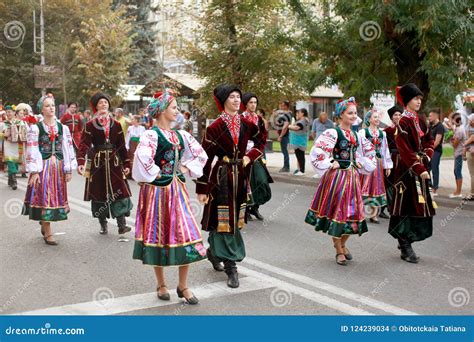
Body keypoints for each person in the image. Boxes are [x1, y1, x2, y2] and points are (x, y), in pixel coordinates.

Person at [132, 90, 208, 304]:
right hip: (157, 192)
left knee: (188, 233)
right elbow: (142, 157)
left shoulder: (181, 135)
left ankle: (183, 285)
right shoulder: (151, 135)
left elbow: (201, 154)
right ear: (163, 110)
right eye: (174, 107)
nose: (177, 111)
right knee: (159, 234)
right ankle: (161, 283)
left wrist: (183, 167)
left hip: (178, 191)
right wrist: (158, 173)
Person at [196, 84, 265, 288]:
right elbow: (205, 159)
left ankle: (213, 252)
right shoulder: (214, 127)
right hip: (222, 177)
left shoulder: (247, 124)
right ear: (224, 100)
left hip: (241, 177)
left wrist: (249, 157)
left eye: (238, 97)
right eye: (232, 97)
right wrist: (202, 188)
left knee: (234, 220)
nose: (237, 100)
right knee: (222, 219)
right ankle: (231, 267)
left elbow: (261, 141)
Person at [305, 97, 376, 266]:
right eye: (349, 113)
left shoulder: (356, 135)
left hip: (353, 178)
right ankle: (338, 250)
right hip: (337, 179)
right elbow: (318, 150)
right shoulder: (333, 133)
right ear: (340, 115)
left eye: (355, 113)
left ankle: (342, 244)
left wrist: (359, 161)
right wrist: (330, 162)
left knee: (354, 214)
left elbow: (368, 151)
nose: (353, 116)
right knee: (339, 214)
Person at [389, 83, 436, 263]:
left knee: (420, 205)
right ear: (408, 100)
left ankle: (406, 240)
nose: (419, 102)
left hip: (421, 167)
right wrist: (419, 168)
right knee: (405, 205)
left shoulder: (420, 119)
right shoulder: (403, 122)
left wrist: (427, 156)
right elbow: (405, 150)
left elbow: (429, 140)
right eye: (416, 98)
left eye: (420, 99)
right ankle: (404, 243)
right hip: (406, 171)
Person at [22, 94, 77, 245]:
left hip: (58, 168)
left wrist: (68, 169)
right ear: (41, 109)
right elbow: (32, 149)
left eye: (52, 105)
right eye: (47, 106)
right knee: (45, 197)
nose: (51, 108)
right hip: (43, 167)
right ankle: (48, 232)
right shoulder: (36, 128)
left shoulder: (62, 128)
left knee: (55, 197)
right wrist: (34, 171)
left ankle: (44, 223)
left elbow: (67, 148)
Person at [76, 92, 133, 235]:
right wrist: (81, 161)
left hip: (114, 162)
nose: (103, 105)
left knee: (119, 192)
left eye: (105, 102)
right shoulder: (90, 125)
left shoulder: (117, 124)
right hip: (97, 163)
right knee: (99, 193)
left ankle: (121, 225)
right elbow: (84, 144)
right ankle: (103, 223)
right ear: (96, 106)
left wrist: (126, 164)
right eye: (100, 103)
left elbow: (121, 146)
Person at [241, 92, 273, 221]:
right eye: (251, 102)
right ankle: (247, 210)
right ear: (245, 104)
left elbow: (263, 138)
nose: (253, 105)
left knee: (261, 182)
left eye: (255, 102)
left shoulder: (259, 119)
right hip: (243, 156)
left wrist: (256, 149)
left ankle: (256, 207)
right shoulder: (240, 118)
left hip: (256, 155)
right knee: (247, 184)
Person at [358, 110, 393, 223]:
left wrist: (387, 166)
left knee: (376, 188)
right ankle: (361, 213)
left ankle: (373, 215)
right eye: (375, 117)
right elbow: (359, 149)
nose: (377, 119)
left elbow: (385, 150)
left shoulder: (382, 134)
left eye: (378, 117)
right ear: (369, 119)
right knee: (364, 187)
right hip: (366, 163)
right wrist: (360, 162)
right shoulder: (363, 132)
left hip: (377, 164)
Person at [382, 104, 403, 217]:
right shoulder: (387, 131)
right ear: (391, 117)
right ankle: (386, 208)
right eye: (395, 115)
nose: (398, 116)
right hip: (391, 158)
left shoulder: (405, 131)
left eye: (400, 114)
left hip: (402, 159)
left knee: (399, 183)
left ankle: (396, 207)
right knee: (388, 183)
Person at [3, 105, 27, 189]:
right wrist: (5, 135)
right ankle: (14, 182)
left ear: (14, 113)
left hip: (17, 145)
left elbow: (25, 131)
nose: (8, 113)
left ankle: (10, 179)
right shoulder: (4, 123)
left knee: (15, 163)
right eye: (6, 112)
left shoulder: (20, 122)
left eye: (9, 112)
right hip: (8, 146)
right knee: (10, 162)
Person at [288, 108, 310, 175]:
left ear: (303, 113)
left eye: (299, 112)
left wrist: (289, 126)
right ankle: (300, 170)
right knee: (299, 156)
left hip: (300, 141)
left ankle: (301, 171)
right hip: (298, 141)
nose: (298, 114)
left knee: (300, 156)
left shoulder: (303, 120)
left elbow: (297, 128)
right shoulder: (302, 120)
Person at [428, 110, 445, 196]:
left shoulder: (440, 126)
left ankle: (435, 188)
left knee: (434, 169)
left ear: (435, 116)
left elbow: (437, 142)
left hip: (436, 151)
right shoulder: (431, 125)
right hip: (430, 150)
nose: (429, 118)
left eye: (430, 116)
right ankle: (430, 185)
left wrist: (429, 150)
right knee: (427, 168)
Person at [449, 112, 465, 198]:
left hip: (459, 153)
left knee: (457, 171)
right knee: (456, 171)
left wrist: (450, 140)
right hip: (458, 152)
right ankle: (457, 191)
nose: (451, 121)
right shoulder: (459, 128)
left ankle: (458, 192)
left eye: (452, 119)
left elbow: (455, 144)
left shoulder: (459, 130)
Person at [275, 101, 292, 172]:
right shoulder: (283, 115)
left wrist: (281, 136)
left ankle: (286, 167)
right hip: (282, 135)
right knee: (284, 151)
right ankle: (285, 166)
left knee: (285, 151)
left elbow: (285, 126)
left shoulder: (288, 115)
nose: (281, 107)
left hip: (284, 135)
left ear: (286, 106)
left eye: (282, 105)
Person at [463, 114, 474, 200]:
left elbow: (471, 138)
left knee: (472, 174)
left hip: (472, 153)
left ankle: (472, 194)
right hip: (470, 151)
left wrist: (465, 144)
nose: (470, 121)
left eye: (471, 120)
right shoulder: (468, 127)